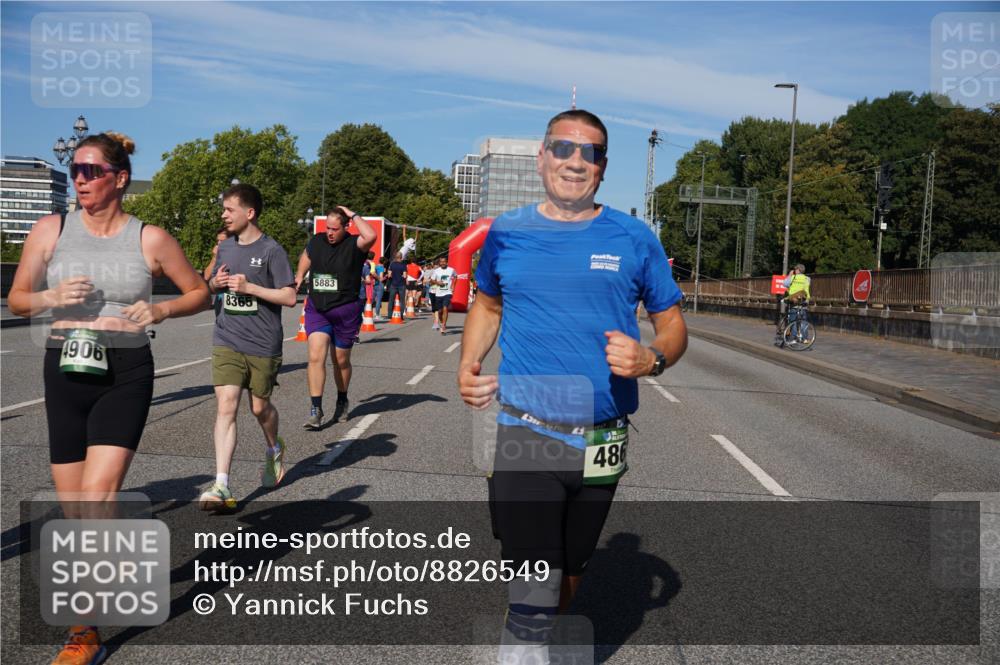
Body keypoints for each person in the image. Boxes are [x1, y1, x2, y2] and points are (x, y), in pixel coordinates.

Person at [457, 110, 687, 663]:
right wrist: (468, 362)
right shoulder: (507, 232)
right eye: (563, 148)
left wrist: (651, 358)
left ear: (604, 168)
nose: (576, 161)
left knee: (572, 571)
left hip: (602, 438)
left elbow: (673, 325)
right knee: (533, 587)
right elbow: (487, 304)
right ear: (543, 157)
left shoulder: (634, 237)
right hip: (526, 429)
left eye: (591, 152)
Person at [7, 131, 210, 664]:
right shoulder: (50, 229)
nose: (79, 179)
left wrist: (162, 310)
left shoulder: (150, 238)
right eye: (74, 169)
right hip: (65, 366)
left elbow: (198, 291)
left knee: (96, 499)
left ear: (119, 179)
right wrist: (50, 296)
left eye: (91, 170)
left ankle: (84, 630)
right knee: (76, 510)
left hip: (125, 369)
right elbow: (18, 298)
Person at [200, 184, 297, 511]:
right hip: (227, 337)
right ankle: (221, 485)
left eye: (229, 209)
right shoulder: (225, 247)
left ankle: (274, 448)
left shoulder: (272, 251)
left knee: (259, 408)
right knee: (226, 405)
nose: (223, 215)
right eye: (223, 209)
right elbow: (213, 285)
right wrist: (215, 283)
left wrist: (250, 287)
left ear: (249, 213)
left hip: (263, 342)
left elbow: (289, 296)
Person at [294, 206, 376, 429]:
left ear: (345, 226)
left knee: (340, 361)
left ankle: (342, 398)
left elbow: (371, 236)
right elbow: (307, 255)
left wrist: (353, 214)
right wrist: (300, 275)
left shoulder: (355, 245)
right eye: (327, 228)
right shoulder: (317, 241)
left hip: (346, 311)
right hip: (318, 309)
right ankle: (315, 409)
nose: (330, 232)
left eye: (334, 229)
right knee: (315, 357)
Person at [429, 255, 457, 333]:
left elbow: (455, 276)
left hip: (448, 292)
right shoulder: (436, 271)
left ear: (447, 262)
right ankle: (441, 322)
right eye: (441, 262)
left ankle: (444, 324)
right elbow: (431, 280)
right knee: (440, 311)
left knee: (445, 308)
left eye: (444, 262)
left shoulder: (451, 270)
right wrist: (437, 282)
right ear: (439, 263)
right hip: (438, 293)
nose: (442, 263)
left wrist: (453, 286)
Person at [386, 252, 407, 319]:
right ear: (401, 257)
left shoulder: (392, 264)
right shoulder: (403, 265)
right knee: (402, 300)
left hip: (393, 284)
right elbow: (405, 276)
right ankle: (400, 315)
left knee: (391, 300)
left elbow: (389, 275)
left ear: (395, 257)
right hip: (401, 284)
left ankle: (389, 315)